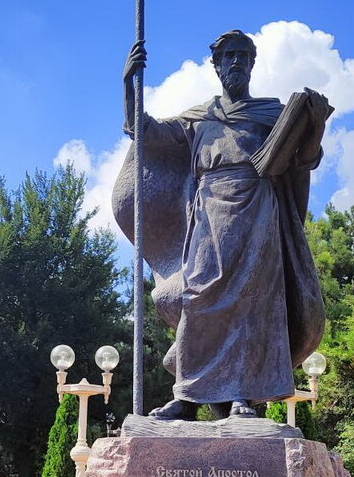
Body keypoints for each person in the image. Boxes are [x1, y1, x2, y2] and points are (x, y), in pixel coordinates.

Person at [113, 30, 329, 420]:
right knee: (196, 297)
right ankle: (189, 397)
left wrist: (315, 124)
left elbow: (304, 161)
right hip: (209, 209)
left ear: (251, 63)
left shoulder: (272, 114)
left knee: (253, 300)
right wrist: (130, 83)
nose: (235, 63)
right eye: (228, 56)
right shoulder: (199, 119)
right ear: (215, 65)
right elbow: (142, 132)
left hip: (258, 207)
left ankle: (245, 396)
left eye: (242, 56)